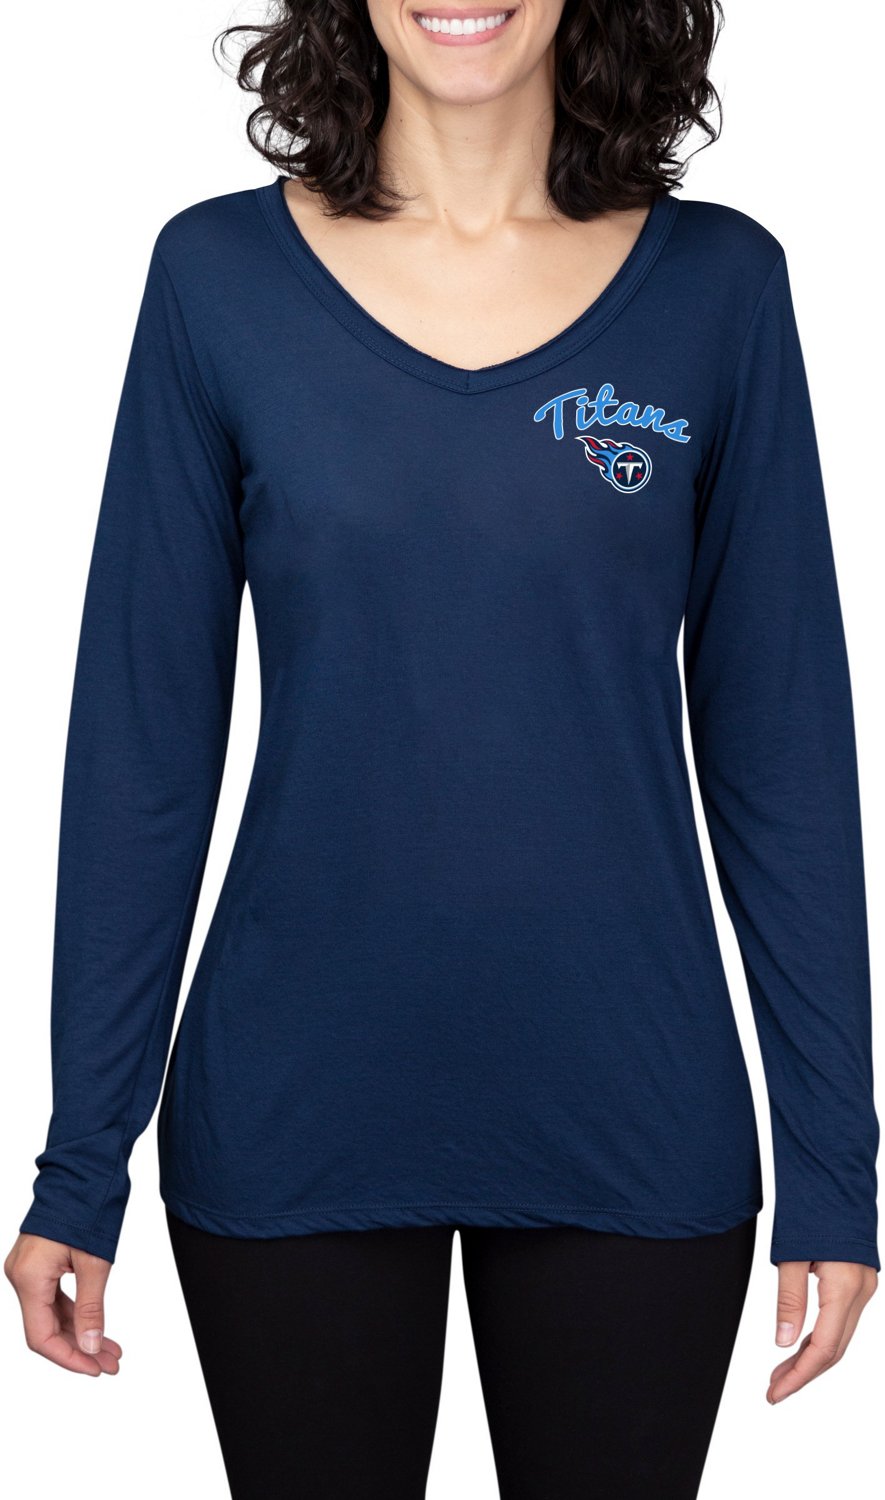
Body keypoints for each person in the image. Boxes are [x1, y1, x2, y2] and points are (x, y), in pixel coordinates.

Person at [5, 1, 880, 1495]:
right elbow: (143, 747)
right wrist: (82, 1158)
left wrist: (833, 1167)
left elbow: (782, 748)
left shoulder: (720, 287)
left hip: (634, 1108)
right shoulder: (217, 279)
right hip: (293, 1108)